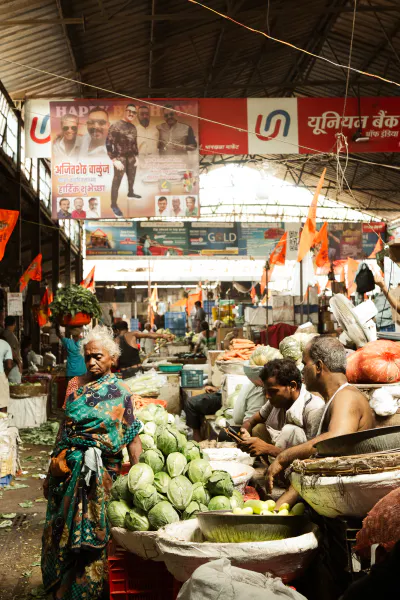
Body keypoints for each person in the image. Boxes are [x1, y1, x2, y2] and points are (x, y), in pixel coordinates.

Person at [41, 326, 142, 600]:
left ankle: (85, 592)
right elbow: (65, 426)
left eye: (98, 356)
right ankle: (60, 589)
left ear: (112, 359)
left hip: (103, 473)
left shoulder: (122, 390)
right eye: (87, 357)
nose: (92, 362)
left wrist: (138, 472)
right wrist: (52, 465)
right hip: (69, 468)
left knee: (94, 536)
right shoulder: (74, 385)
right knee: (60, 530)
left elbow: (132, 437)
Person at [267, 336, 375, 495]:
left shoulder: (346, 397)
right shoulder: (334, 399)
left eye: (305, 364)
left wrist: (284, 456)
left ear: (318, 366)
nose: (302, 370)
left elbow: (335, 439)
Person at [240, 359, 325, 458]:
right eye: (265, 391)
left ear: (292, 386)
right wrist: (244, 432)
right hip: (280, 453)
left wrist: (267, 448)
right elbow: (251, 421)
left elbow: (314, 453)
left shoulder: (313, 408)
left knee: (290, 431)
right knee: (258, 429)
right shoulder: (275, 401)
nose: (267, 396)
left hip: (302, 463)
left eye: (272, 391)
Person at [106, 104, 140, 217]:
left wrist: (137, 157)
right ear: (124, 111)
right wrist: (114, 159)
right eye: (129, 111)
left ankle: (131, 192)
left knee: (132, 177)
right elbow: (108, 143)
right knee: (117, 181)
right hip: (120, 157)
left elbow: (134, 143)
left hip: (131, 157)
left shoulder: (133, 127)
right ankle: (113, 204)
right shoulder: (116, 126)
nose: (131, 114)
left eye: (134, 112)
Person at [2, 316, 22, 383]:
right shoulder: (10, 335)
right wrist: (19, 362)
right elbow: (11, 351)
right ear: (14, 324)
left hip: (7, 368)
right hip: (12, 367)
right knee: (15, 389)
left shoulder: (4, 334)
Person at [0, 338, 13, 412]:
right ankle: (2, 423)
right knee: (2, 403)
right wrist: (5, 375)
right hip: (0, 374)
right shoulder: (5, 344)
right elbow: (9, 365)